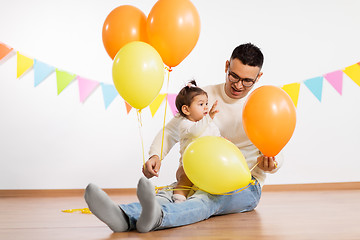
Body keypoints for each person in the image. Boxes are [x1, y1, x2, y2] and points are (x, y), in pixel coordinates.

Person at [84, 43, 283, 233]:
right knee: (170, 194)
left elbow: (276, 148)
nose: (239, 85)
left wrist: (272, 164)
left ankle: (157, 218)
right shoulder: (203, 97)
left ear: (258, 77)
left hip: (245, 184)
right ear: (226, 66)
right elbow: (172, 130)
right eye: (234, 76)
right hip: (199, 176)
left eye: (247, 80)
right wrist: (156, 155)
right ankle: (123, 217)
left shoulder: (261, 105)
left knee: (206, 199)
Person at [172, 80, 221, 203]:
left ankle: (196, 199)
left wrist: (223, 143)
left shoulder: (209, 124)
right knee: (185, 180)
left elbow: (216, 138)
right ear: (186, 110)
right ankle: (178, 199)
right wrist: (209, 117)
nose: (206, 107)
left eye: (206, 103)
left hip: (206, 167)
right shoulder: (185, 125)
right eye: (201, 104)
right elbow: (195, 132)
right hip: (187, 168)